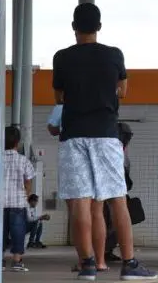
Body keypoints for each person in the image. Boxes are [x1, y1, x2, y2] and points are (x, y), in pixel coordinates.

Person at [52, 2, 157, 281]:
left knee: (79, 203)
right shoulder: (114, 55)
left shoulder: (61, 58)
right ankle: (130, 264)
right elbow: (123, 90)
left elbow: (59, 98)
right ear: (99, 27)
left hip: (73, 136)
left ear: (74, 27)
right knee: (116, 200)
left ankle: (87, 264)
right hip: (105, 134)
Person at [46, 103, 110, 272]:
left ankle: (84, 260)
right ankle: (101, 261)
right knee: (97, 211)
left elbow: (52, 129)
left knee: (77, 209)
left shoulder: (64, 103)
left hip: (73, 153)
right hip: (99, 150)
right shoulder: (101, 96)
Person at [3, 126, 35, 272]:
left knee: (0, 232)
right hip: (18, 202)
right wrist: (26, 196)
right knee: (18, 232)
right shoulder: (23, 160)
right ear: (18, 142)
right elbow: (28, 182)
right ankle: (16, 261)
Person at [104, 122, 134, 262]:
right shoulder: (113, 148)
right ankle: (104, 251)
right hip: (110, 191)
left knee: (113, 223)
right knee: (110, 221)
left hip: (118, 189)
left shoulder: (123, 149)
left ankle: (108, 250)